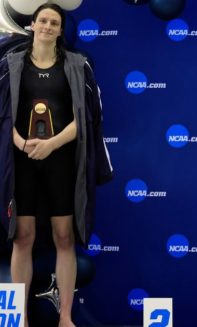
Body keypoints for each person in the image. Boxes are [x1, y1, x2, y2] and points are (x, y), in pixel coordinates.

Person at [0, 4, 113, 326]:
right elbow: (2, 115)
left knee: (65, 238)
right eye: (43, 21)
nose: (48, 26)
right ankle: (18, 317)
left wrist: (50, 144)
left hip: (62, 162)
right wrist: (21, 143)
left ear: (61, 30)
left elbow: (87, 118)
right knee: (23, 238)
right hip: (21, 163)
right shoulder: (9, 64)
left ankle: (65, 316)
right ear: (32, 25)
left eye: (55, 22)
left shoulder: (78, 65)